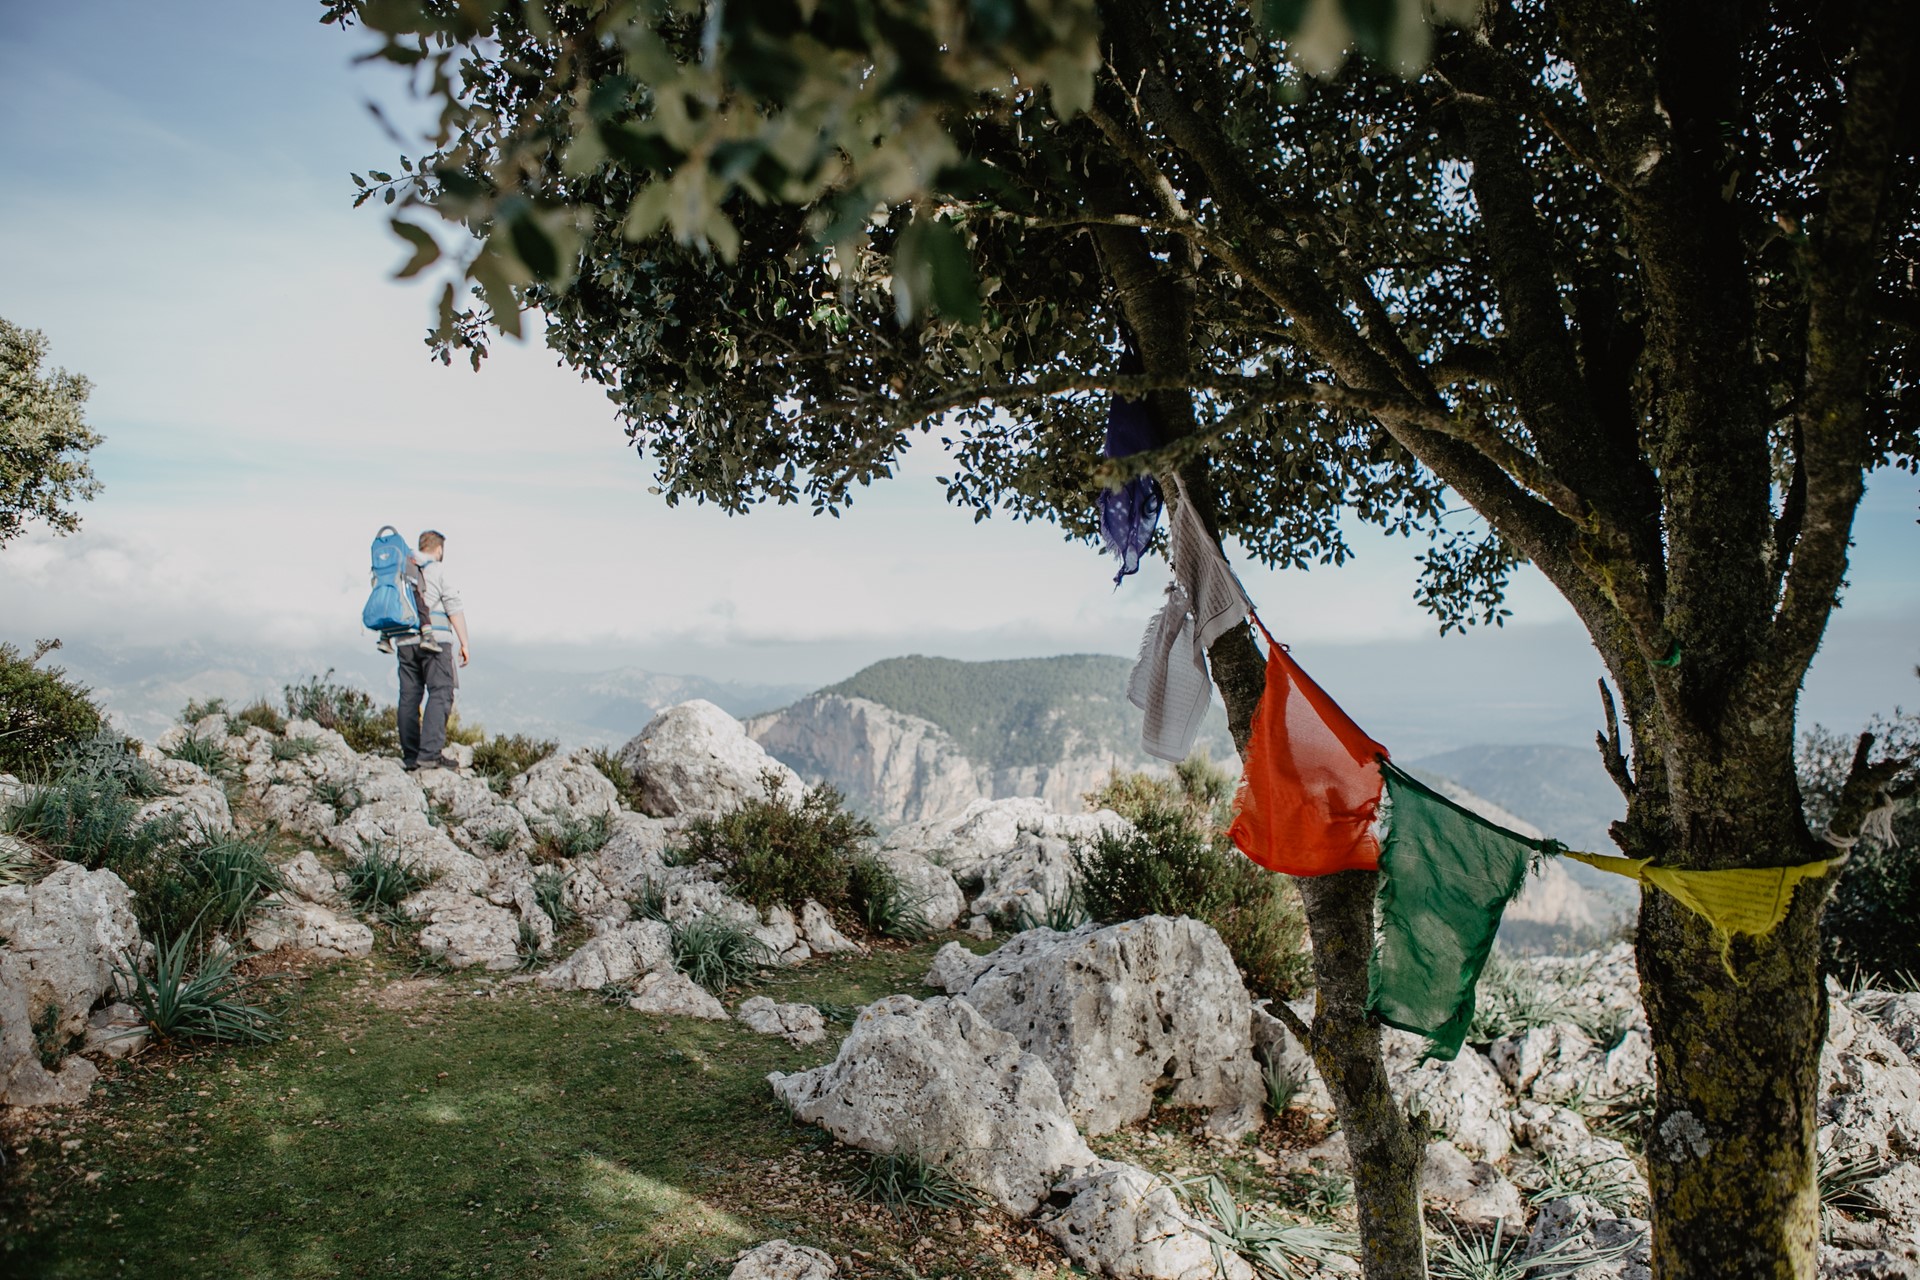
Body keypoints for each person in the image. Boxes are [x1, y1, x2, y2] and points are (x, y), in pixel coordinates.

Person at [394, 529, 470, 772]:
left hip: (405, 641)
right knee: (441, 692)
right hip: (435, 641)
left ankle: (410, 756)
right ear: (438, 549)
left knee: (409, 697)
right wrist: (464, 642)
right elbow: (453, 606)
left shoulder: (404, 570)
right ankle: (429, 756)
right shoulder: (438, 570)